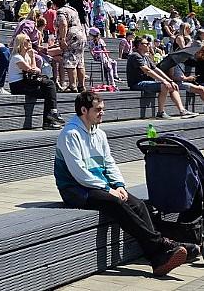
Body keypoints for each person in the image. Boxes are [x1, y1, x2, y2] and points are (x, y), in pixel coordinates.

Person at [55, 91, 192, 277]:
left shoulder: (99, 134)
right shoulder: (70, 134)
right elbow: (79, 173)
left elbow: (109, 162)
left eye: (102, 109)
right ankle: (161, 246)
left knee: (139, 204)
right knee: (116, 203)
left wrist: (119, 185)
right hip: (75, 190)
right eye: (98, 110)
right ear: (83, 110)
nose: (102, 113)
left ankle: (158, 256)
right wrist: (107, 189)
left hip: (97, 186)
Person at [125, 36, 196, 119]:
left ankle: (182, 111)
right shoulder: (135, 56)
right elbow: (147, 70)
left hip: (147, 82)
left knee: (172, 85)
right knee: (165, 85)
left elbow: (156, 69)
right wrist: (164, 81)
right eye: (146, 44)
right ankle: (160, 113)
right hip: (137, 83)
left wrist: (169, 80)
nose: (149, 45)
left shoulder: (146, 57)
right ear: (140, 45)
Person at [8, 34, 65, 129]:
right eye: (28, 40)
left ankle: (49, 120)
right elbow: (33, 70)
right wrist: (33, 60)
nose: (31, 42)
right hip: (17, 85)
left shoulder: (26, 55)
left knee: (48, 91)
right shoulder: (17, 57)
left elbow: (34, 69)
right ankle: (52, 114)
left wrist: (32, 57)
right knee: (49, 85)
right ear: (22, 43)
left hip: (25, 82)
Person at [54, 0, 87, 93]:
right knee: (80, 61)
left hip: (72, 35)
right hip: (81, 34)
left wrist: (63, 39)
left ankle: (72, 85)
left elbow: (63, 24)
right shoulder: (73, 9)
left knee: (70, 60)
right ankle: (81, 85)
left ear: (55, 4)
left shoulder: (61, 11)